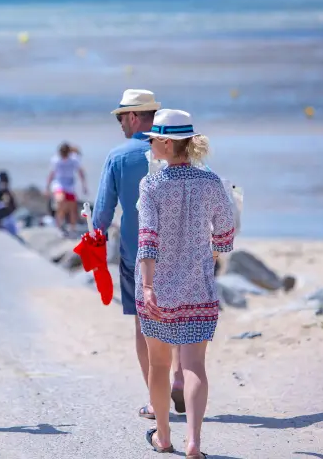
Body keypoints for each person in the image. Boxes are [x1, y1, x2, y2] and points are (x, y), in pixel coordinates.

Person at [137, 109, 235, 457]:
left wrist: (147, 286)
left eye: (152, 139)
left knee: (159, 365)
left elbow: (147, 239)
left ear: (166, 142)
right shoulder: (210, 181)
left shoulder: (151, 185)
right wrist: (213, 254)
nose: (149, 144)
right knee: (194, 366)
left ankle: (163, 437)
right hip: (199, 288)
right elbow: (226, 229)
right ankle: (194, 443)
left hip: (158, 289)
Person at [94, 89, 186, 419]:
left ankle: (154, 398)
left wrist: (95, 235)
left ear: (134, 117)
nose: (120, 125)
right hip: (179, 251)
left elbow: (101, 216)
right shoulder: (173, 149)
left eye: (121, 118)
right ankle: (177, 377)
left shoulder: (118, 156)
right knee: (176, 318)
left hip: (138, 254)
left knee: (144, 326)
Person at [45, 142, 88, 234]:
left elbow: (80, 172)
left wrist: (84, 186)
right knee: (61, 202)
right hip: (59, 184)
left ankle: (72, 228)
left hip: (70, 185)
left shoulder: (74, 159)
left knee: (72, 207)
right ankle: (59, 226)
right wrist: (47, 187)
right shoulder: (56, 160)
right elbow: (51, 174)